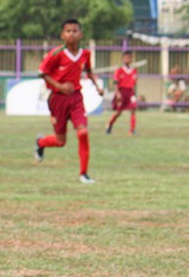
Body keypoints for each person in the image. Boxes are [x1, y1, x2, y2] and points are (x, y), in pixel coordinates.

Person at [34, 19, 104, 184]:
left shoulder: (85, 54)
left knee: (83, 132)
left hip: (76, 98)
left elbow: (88, 71)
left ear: (80, 34)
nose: (71, 34)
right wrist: (59, 85)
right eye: (68, 31)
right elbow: (42, 72)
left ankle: (84, 173)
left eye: (75, 31)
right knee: (60, 141)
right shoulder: (56, 54)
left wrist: (96, 86)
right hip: (58, 99)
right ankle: (41, 142)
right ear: (62, 35)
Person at [106, 50, 138, 136]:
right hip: (121, 92)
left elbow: (134, 83)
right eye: (126, 57)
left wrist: (134, 94)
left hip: (130, 92)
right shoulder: (119, 70)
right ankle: (110, 124)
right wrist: (117, 93)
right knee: (118, 112)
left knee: (133, 110)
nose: (128, 59)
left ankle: (132, 130)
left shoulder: (134, 70)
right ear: (123, 59)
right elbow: (116, 83)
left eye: (129, 58)